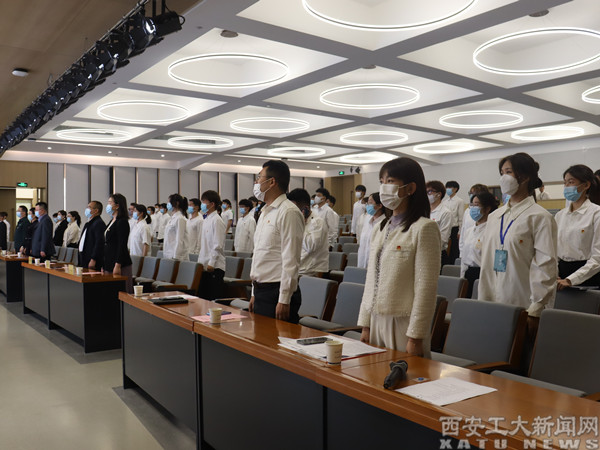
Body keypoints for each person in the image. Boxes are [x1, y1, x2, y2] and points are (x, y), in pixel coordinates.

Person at [358, 157, 441, 356]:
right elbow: (371, 279)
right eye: (382, 182)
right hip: (376, 318)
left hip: (404, 322)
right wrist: (365, 324)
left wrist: (415, 336)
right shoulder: (381, 227)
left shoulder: (423, 228)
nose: (384, 187)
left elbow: (425, 287)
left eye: (390, 181)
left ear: (410, 188)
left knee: (404, 373)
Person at [478, 152, 557, 327]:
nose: (503, 178)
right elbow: (487, 261)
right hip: (489, 301)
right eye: (502, 173)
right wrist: (482, 299)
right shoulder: (495, 216)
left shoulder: (539, 217)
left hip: (521, 303)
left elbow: (545, 266)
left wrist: (536, 308)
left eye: (509, 172)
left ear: (525, 177)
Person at [250, 160, 304, 323]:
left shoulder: (288, 212)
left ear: (271, 182)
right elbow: (259, 255)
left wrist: (284, 299)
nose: (256, 182)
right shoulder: (265, 211)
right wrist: (253, 293)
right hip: (261, 291)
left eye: (259, 177)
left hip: (277, 292)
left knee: (279, 338)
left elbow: (291, 259)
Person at [555, 165, 600, 289]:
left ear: (586, 185)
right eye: (565, 183)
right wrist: (554, 274)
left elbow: (598, 256)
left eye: (571, 182)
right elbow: (554, 251)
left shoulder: (596, 213)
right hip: (561, 277)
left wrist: (571, 280)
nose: (567, 187)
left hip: (588, 276)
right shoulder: (560, 215)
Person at [460, 192, 498, 298]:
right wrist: (462, 276)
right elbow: (464, 257)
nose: (473, 208)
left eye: (476, 205)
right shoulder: (469, 231)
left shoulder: (492, 231)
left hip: (483, 274)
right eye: (472, 204)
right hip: (468, 273)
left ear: (487, 208)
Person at [288, 188, 328, 277]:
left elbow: (310, 246)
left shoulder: (318, 222)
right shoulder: (294, 220)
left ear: (305, 208)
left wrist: (301, 224)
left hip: (311, 271)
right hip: (297, 267)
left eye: (295, 209)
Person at [198, 190, 226, 300]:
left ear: (212, 204)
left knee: (212, 299)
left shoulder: (217, 220)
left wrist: (212, 263)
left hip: (215, 267)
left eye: (204, 202)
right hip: (204, 263)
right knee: (203, 298)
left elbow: (217, 244)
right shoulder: (206, 219)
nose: (202, 205)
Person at [103, 193, 133, 293]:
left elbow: (122, 245)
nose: (108, 205)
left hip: (119, 262)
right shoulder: (112, 220)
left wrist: (118, 264)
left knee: (122, 290)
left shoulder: (122, 222)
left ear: (117, 205)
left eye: (110, 203)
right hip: (109, 260)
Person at [357, 193, 388, 268]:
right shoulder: (367, 219)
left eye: (370, 203)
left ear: (380, 205)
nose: (368, 205)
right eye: (367, 203)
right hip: (362, 262)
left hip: (376, 265)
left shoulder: (385, 223)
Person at [426, 181, 452, 266]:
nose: (427, 194)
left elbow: (443, 238)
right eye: (426, 192)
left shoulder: (445, 212)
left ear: (439, 194)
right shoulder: (424, 211)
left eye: (430, 191)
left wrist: (428, 249)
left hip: (437, 253)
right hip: (423, 252)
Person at [459, 184, 489, 258]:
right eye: (470, 193)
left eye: (474, 193)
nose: (472, 195)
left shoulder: (488, 213)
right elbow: (463, 232)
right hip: (466, 251)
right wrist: (461, 253)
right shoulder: (467, 211)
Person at [78, 201, 106, 270]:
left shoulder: (98, 223)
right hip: (84, 256)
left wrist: (93, 259)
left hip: (91, 259)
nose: (86, 209)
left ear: (96, 211)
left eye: (89, 207)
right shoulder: (89, 222)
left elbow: (99, 243)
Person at [443, 181, 465, 265]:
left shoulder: (460, 201)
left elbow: (461, 217)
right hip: (446, 228)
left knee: (454, 249)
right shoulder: (445, 202)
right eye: (447, 187)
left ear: (455, 189)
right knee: (446, 247)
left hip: (455, 228)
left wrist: (460, 231)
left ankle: (453, 265)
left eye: (450, 187)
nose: (448, 189)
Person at [163, 194, 189, 261]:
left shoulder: (180, 218)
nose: (168, 204)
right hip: (169, 253)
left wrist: (176, 256)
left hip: (176, 256)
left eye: (169, 202)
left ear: (176, 203)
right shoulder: (172, 218)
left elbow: (179, 239)